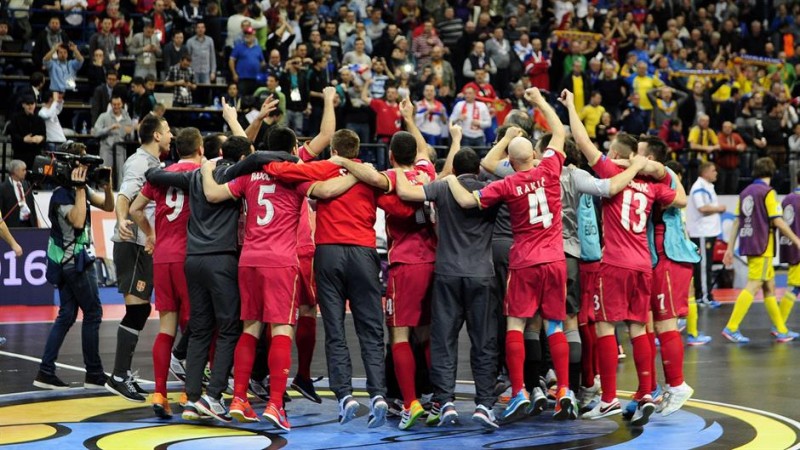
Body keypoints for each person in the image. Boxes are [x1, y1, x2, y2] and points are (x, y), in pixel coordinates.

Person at [144, 99, 294, 422]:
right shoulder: (237, 173)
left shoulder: (199, 173)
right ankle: (214, 396)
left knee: (199, 330)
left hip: (192, 260)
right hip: (222, 260)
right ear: (240, 159)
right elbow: (258, 157)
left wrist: (159, 170)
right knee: (228, 329)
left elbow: (154, 176)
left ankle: (192, 398)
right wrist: (287, 155)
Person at [200, 126, 355, 431]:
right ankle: (274, 403)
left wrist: (206, 169)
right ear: (293, 148)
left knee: (251, 328)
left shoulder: (250, 175)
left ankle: (239, 398)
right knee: (282, 329)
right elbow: (324, 191)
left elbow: (213, 193)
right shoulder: (293, 175)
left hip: (249, 260)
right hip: (280, 261)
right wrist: (355, 173)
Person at [263, 129, 398, 429]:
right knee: (372, 329)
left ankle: (345, 396)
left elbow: (284, 170)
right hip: (363, 254)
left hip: (328, 254)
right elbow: (395, 202)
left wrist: (264, 162)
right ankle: (378, 394)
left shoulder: (323, 168)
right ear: (358, 148)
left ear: (333, 149)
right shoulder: (370, 173)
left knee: (335, 328)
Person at [564, 89, 684, 426]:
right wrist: (650, 168)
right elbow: (679, 195)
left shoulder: (607, 172)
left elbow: (581, 139)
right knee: (636, 327)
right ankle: (646, 391)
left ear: (615, 153)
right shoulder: (652, 187)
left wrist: (572, 106)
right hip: (643, 263)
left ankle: (608, 399)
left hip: (614, 263)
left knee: (604, 326)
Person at [325, 99, 436, 430]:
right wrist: (410, 118)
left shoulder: (388, 176)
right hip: (434, 261)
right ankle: (435, 399)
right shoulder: (427, 170)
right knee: (427, 334)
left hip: (404, 263)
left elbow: (388, 197)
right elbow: (425, 152)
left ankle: (411, 403)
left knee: (398, 333)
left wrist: (343, 160)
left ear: (389, 156)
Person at [128, 127, 204, 418]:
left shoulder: (163, 174)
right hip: (190, 257)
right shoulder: (199, 174)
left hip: (163, 257)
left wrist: (152, 234)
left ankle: (159, 393)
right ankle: (190, 391)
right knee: (197, 327)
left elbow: (136, 209)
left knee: (166, 328)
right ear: (199, 149)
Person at [104, 115, 173, 402]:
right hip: (133, 244)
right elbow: (125, 197)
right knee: (137, 310)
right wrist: (121, 220)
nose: (171, 135)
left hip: (145, 246)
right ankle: (118, 377)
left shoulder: (156, 164)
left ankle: (121, 375)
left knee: (142, 310)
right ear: (156, 135)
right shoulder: (139, 162)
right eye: (167, 130)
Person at [34, 142, 113, 390]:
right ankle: (94, 374)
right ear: (70, 165)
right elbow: (78, 222)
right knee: (93, 313)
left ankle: (45, 372)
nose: (85, 168)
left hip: (66, 261)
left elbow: (108, 206)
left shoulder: (79, 189)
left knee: (67, 314)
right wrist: (80, 187)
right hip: (73, 262)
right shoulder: (61, 194)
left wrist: (107, 187)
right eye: (81, 163)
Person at [637, 137, 699, 417]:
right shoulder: (644, 179)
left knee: (665, 323)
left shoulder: (665, 173)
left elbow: (679, 197)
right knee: (648, 324)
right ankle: (652, 388)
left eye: (638, 153)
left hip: (669, 256)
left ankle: (677, 385)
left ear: (650, 157)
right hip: (653, 257)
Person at [722, 158, 800, 343]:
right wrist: (796, 239)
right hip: (763, 245)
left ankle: (781, 329)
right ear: (772, 173)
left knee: (769, 287)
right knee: (754, 284)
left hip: (749, 243)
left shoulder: (744, 192)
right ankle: (731, 327)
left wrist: (729, 248)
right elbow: (777, 220)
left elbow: (736, 222)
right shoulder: (768, 193)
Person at [687, 162, 725, 308]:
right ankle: (703, 296)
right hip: (702, 232)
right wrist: (719, 208)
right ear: (705, 173)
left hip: (708, 231)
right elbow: (702, 207)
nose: (716, 173)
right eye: (713, 170)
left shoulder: (707, 186)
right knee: (703, 266)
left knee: (706, 265)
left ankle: (705, 294)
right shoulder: (699, 187)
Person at [93, 93, 134, 186]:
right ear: (111, 105)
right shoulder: (104, 116)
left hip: (120, 148)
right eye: (114, 105)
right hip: (106, 148)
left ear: (122, 104)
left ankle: (120, 194)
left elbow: (131, 137)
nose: (116, 107)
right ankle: (102, 194)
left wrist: (130, 133)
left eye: (118, 104)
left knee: (121, 174)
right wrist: (109, 128)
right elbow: (95, 132)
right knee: (105, 173)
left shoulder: (127, 118)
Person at [778, 173, 800, 337]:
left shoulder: (787, 199)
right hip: (798, 246)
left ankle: (779, 325)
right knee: (794, 286)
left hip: (789, 245)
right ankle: (779, 326)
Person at [9, 96, 46, 168]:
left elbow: (44, 135)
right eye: (28, 104)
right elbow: (13, 134)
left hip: (35, 154)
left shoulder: (40, 120)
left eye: (32, 103)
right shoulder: (15, 118)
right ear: (23, 105)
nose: (30, 106)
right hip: (20, 153)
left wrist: (41, 138)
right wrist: (23, 139)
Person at [0, 160, 38, 228]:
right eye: (23, 170)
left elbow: (32, 206)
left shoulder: (27, 185)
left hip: (29, 224)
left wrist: (36, 223)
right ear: (15, 171)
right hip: (13, 226)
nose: (25, 172)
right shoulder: (3, 188)